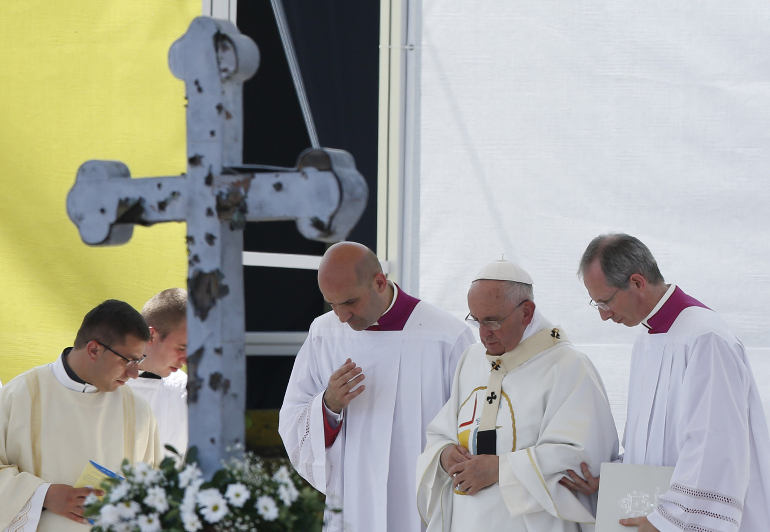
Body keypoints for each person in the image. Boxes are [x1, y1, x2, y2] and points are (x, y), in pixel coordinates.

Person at [566, 233, 770, 531]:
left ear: (637, 282)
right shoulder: (647, 340)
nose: (604, 315)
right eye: (595, 304)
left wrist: (672, 520)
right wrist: (615, 480)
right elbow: (651, 439)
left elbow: (716, 444)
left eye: (605, 301)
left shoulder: (704, 338)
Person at [278, 242, 475, 532]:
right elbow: (293, 421)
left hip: (420, 506)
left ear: (379, 282)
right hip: (352, 503)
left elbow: (473, 423)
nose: (342, 317)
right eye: (332, 305)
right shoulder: (324, 333)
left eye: (349, 303)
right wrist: (328, 405)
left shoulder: (446, 337)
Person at [416, 259, 618, 532]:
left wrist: (501, 469)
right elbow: (442, 432)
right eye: (476, 321)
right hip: (466, 520)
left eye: (493, 321)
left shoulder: (567, 366)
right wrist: (444, 454)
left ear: (526, 312)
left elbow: (582, 459)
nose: (484, 334)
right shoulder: (472, 359)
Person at [0, 300, 161, 532]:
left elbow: (153, 488)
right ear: (94, 349)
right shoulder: (19, 395)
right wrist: (42, 495)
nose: (135, 373)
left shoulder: (137, 410)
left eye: (140, 360)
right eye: (128, 360)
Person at [128, 288, 188, 460]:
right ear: (151, 335)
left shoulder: (189, 392)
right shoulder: (99, 384)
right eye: (181, 348)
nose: (186, 359)